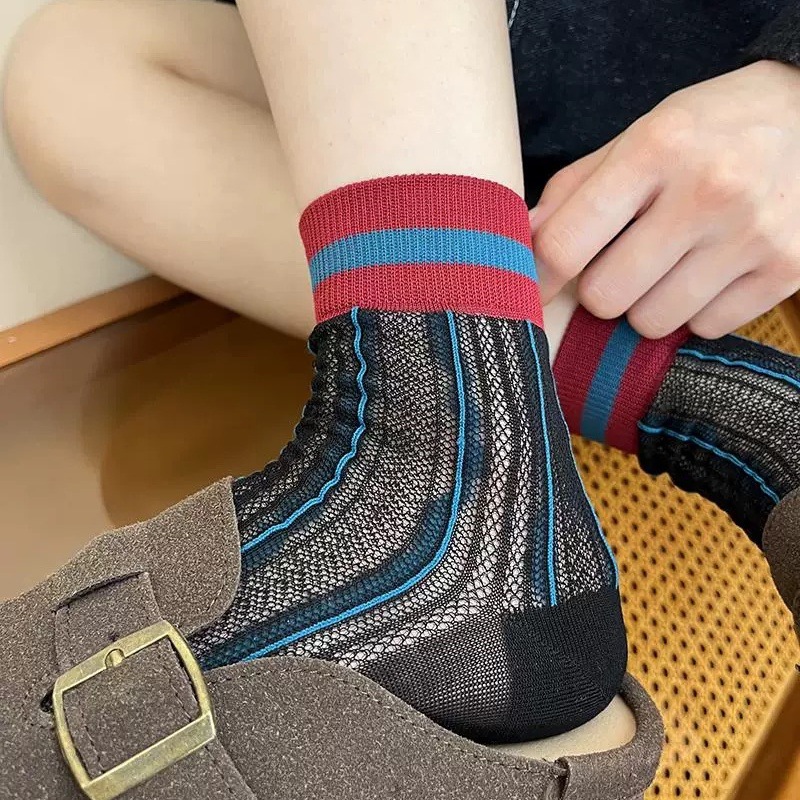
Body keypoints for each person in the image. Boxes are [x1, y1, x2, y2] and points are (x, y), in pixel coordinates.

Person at [0, 1, 798, 797]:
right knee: (70, 82)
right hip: (488, 106)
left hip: (682, 105)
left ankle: (441, 469)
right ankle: (730, 412)